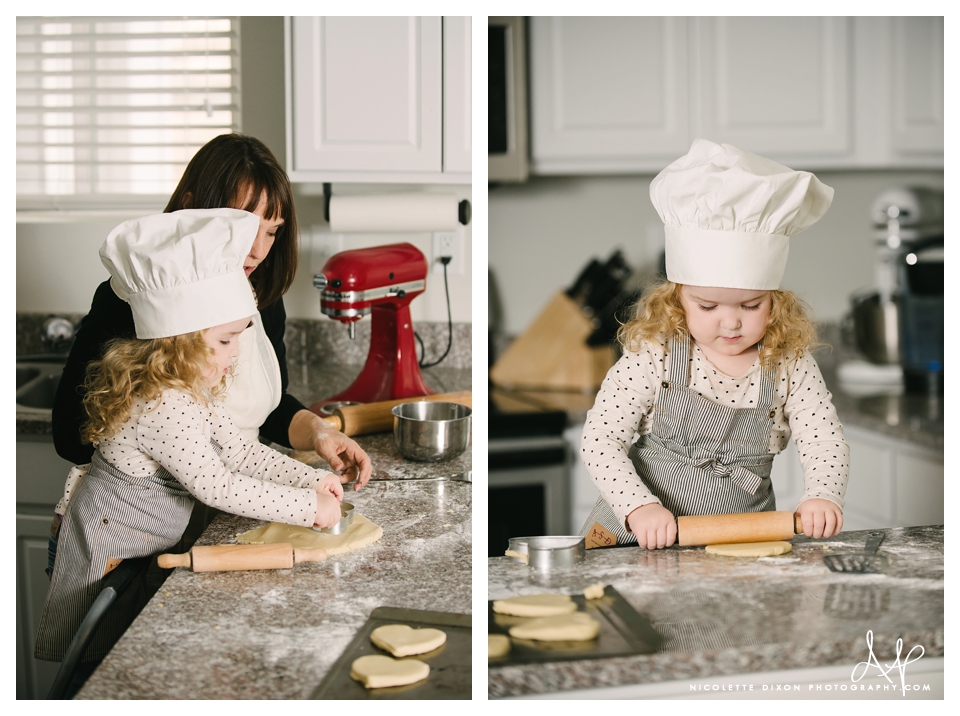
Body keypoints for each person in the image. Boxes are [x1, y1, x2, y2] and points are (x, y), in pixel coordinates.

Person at [36, 209, 345, 670]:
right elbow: (217, 485)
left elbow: (239, 451)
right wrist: (308, 510)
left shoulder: (187, 385)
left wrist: (310, 481)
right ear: (177, 342)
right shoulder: (162, 404)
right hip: (107, 551)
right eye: (224, 341)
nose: (235, 353)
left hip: (141, 545)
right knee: (99, 669)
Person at [52, 133, 372, 485]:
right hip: (137, 524)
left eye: (271, 232)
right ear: (190, 210)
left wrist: (318, 431)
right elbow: (70, 434)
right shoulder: (131, 300)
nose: (258, 252)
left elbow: (266, 411)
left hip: (238, 495)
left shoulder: (261, 294)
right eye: (244, 228)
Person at [579, 139, 849, 550]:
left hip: (740, 541)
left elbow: (823, 440)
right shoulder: (657, 355)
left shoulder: (790, 364)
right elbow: (600, 438)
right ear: (677, 300)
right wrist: (638, 507)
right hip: (636, 539)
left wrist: (822, 495)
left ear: (775, 300)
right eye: (707, 306)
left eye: (750, 304)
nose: (731, 321)